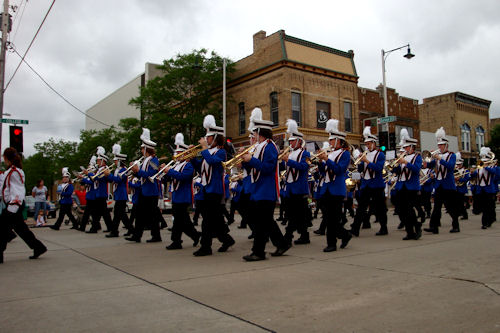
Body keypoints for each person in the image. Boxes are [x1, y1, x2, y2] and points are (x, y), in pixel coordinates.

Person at [241, 111, 289, 261]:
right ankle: (282, 243)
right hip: (258, 189)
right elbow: (253, 169)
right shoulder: (258, 146)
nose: (253, 135)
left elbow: (268, 168)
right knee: (266, 221)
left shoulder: (270, 147)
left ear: (260, 131)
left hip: (266, 190)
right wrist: (244, 161)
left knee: (261, 222)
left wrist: (251, 160)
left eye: (254, 132)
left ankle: (258, 252)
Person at [190, 115, 235, 256]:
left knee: (208, 221)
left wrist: (203, 149)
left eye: (208, 138)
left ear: (215, 138)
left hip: (214, 190)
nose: (206, 139)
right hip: (205, 190)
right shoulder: (207, 153)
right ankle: (227, 239)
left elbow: (213, 162)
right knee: (214, 219)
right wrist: (192, 159)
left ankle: (206, 247)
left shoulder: (221, 152)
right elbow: (201, 169)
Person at [0, 147, 47, 263]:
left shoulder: (14, 172)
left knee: (1, 228)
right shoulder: (14, 171)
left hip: (14, 205)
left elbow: (17, 190)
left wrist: (13, 206)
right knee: (21, 229)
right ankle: (38, 247)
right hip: (15, 204)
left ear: (6, 158)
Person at [317, 119, 352, 252]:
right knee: (329, 218)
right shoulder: (331, 154)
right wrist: (320, 162)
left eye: (332, 140)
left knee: (332, 219)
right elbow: (324, 172)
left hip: (337, 189)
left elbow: (338, 170)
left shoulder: (345, 154)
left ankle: (331, 244)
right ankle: (345, 234)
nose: (330, 142)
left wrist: (326, 159)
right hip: (326, 188)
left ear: (339, 141)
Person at [161, 133, 200, 250]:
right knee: (183, 221)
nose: (176, 156)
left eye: (178, 154)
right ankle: (196, 235)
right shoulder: (176, 166)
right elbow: (170, 178)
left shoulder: (188, 165)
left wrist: (170, 171)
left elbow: (183, 177)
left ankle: (176, 241)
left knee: (178, 221)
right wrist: (164, 172)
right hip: (177, 196)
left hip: (183, 196)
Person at [350, 126, 388, 237]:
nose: (367, 146)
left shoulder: (380, 154)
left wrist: (366, 161)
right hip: (366, 184)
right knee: (361, 207)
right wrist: (360, 162)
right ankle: (355, 229)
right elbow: (361, 169)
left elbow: (378, 169)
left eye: (369, 143)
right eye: (366, 144)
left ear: (374, 143)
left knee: (380, 208)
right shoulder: (365, 154)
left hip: (377, 185)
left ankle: (384, 228)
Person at [126, 128, 162, 243]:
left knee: (152, 216)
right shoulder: (144, 160)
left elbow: (152, 174)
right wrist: (134, 171)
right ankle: (137, 235)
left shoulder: (153, 160)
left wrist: (138, 171)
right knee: (139, 215)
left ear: (147, 148)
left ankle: (156, 236)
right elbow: (142, 175)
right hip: (143, 190)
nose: (141, 150)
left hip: (151, 191)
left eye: (142, 148)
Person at [281, 119, 311, 246]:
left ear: (299, 141)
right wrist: (283, 160)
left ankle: (288, 236)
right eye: (290, 141)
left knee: (293, 215)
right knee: (299, 214)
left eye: (293, 141)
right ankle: (304, 235)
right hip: (290, 188)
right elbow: (287, 168)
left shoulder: (306, 153)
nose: (290, 143)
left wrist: (288, 161)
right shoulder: (290, 153)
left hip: (300, 188)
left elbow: (304, 167)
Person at [424, 127, 460, 234]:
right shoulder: (437, 156)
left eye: (441, 145)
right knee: (436, 207)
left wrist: (440, 159)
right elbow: (430, 166)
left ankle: (456, 226)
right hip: (439, 185)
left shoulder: (451, 155)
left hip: (448, 185)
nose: (439, 147)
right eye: (438, 145)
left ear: (446, 146)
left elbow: (450, 167)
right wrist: (427, 160)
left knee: (451, 208)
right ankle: (433, 227)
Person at [391, 130, 422, 240]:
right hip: (401, 186)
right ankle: (413, 229)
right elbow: (396, 172)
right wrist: (395, 165)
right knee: (401, 210)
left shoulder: (417, 157)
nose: (405, 149)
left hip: (412, 187)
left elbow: (417, 170)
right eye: (405, 147)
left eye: (407, 147)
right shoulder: (402, 157)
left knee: (409, 209)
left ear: (412, 147)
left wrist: (405, 163)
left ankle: (412, 230)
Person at [104, 144, 132, 237]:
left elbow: (118, 180)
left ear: (120, 161)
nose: (114, 162)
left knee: (117, 214)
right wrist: (107, 176)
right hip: (118, 194)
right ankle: (131, 229)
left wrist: (109, 175)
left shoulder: (123, 170)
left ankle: (114, 231)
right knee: (122, 215)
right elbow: (112, 180)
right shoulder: (117, 170)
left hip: (121, 194)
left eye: (116, 161)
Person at [86, 147, 113, 233]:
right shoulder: (100, 169)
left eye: (98, 160)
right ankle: (109, 227)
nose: (97, 162)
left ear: (103, 161)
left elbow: (98, 179)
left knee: (97, 212)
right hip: (98, 193)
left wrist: (89, 174)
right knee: (104, 213)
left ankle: (94, 228)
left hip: (101, 193)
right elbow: (95, 179)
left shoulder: (105, 169)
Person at [472, 147, 498, 229]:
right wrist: (472, 172)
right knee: (484, 207)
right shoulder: (480, 166)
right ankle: (485, 222)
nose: (483, 159)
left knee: (489, 207)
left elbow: (497, 173)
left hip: (489, 190)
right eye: (482, 157)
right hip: (481, 189)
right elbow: (476, 174)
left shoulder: (493, 167)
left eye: (485, 157)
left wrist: (486, 167)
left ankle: (487, 222)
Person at [77, 156, 97, 232]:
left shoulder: (92, 175)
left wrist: (83, 178)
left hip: (92, 196)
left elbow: (91, 182)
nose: (88, 169)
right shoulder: (89, 176)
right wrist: (81, 178)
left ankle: (84, 227)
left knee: (90, 213)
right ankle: (94, 226)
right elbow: (85, 183)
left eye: (89, 168)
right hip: (89, 196)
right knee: (90, 213)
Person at [454, 153, 470, 220]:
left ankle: (465, 215)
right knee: (456, 203)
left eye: (459, 164)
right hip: (456, 188)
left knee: (461, 203)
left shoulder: (465, 171)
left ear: (462, 164)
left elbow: (466, 179)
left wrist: (459, 179)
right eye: (457, 164)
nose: (458, 165)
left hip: (462, 188)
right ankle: (459, 213)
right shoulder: (454, 171)